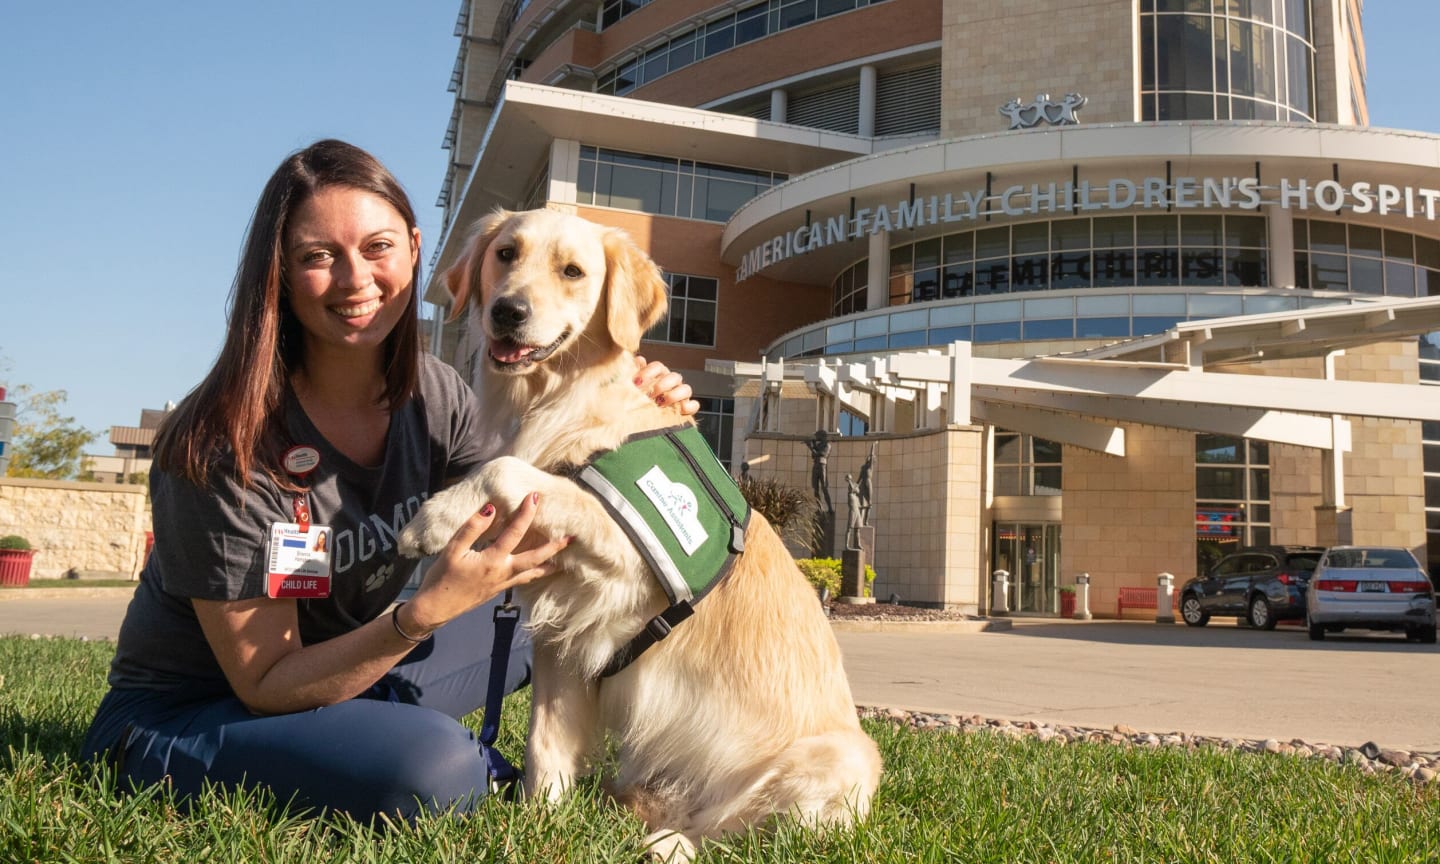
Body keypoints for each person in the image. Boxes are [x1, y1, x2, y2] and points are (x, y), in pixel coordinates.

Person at [80, 139, 698, 823]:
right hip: (199, 712)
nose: (355, 279)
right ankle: (387, 744)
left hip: (350, 676)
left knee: (545, 622)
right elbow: (264, 682)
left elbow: (529, 507)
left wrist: (638, 408)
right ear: (278, 273)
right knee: (438, 772)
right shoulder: (222, 442)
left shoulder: (433, 394)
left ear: (413, 249)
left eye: (377, 248)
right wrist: (421, 616)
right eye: (318, 256)